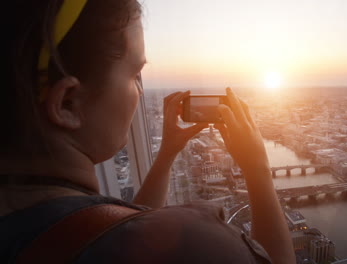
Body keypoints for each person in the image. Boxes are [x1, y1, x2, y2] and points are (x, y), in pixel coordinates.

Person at [2, 0, 296, 263]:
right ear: (67, 103)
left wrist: (167, 153)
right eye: (133, 76)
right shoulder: (199, 246)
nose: (140, 93)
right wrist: (257, 169)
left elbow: (125, 228)